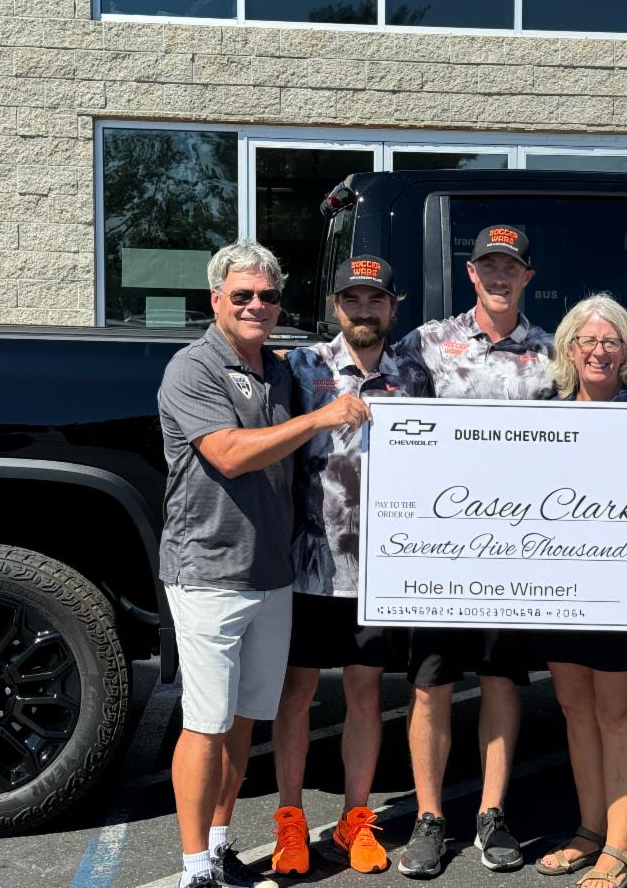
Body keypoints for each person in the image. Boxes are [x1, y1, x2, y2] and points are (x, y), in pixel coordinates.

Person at [158, 238, 369, 888]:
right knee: (205, 724)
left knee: (245, 720)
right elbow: (228, 453)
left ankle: (221, 842)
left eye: (268, 296)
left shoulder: (278, 371)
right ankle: (194, 866)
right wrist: (320, 420)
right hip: (209, 572)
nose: (256, 305)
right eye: (243, 295)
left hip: (273, 575)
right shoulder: (193, 368)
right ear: (215, 299)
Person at [393, 224, 554, 878]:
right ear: (471, 273)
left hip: (515, 552)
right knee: (431, 684)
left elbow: (594, 427)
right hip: (440, 551)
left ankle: (492, 813)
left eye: (510, 266)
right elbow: (379, 396)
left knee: (500, 681)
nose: (499, 276)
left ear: (527, 276)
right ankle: (429, 817)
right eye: (488, 265)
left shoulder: (552, 353)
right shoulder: (426, 343)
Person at [270, 256, 429, 878]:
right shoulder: (301, 367)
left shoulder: (414, 374)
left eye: (376, 299)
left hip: (380, 571)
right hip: (308, 564)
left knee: (366, 694)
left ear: (393, 306)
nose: (364, 310)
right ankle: (289, 819)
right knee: (297, 693)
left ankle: (355, 818)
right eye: (352, 300)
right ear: (336, 306)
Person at [533, 294, 627, 888]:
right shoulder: (544, 414)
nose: (599, 351)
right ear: (569, 349)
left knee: (618, 712)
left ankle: (619, 845)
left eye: (610, 341)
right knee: (575, 708)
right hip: (560, 584)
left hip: (624, 587)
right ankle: (588, 830)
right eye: (588, 340)